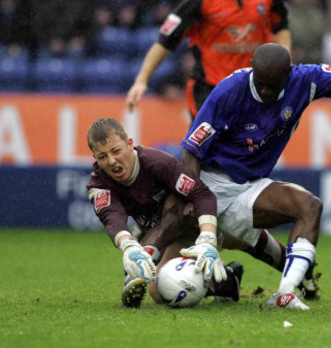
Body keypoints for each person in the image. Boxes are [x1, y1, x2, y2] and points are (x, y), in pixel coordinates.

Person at [181, 43, 331, 309]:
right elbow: (191, 151)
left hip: (251, 185)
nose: (264, 90)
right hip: (211, 183)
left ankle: (285, 293)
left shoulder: (305, 79)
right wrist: (192, 201)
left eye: (271, 85)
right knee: (164, 289)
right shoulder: (229, 90)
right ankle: (231, 279)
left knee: (309, 206)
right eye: (260, 83)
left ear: (288, 74)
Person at [126, 0, 291, 118]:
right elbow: (164, 42)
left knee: (252, 147)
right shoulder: (199, 1)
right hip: (210, 92)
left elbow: (281, 27)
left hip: (253, 90)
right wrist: (141, 80)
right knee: (206, 147)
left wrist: (284, 62)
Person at [85, 117, 235, 308]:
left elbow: (203, 195)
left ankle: (283, 285)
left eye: (116, 151)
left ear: (130, 144)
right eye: (102, 156)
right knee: (159, 291)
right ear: (95, 158)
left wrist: (207, 238)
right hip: (154, 235)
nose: (111, 161)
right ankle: (228, 281)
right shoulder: (98, 185)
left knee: (250, 241)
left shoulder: (158, 163)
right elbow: (112, 217)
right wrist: (128, 246)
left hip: (190, 227)